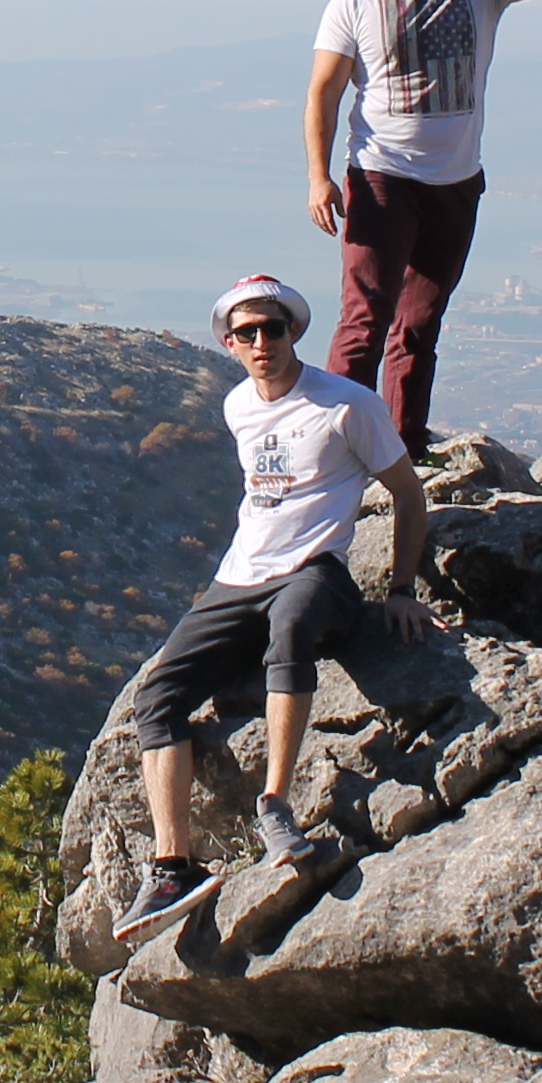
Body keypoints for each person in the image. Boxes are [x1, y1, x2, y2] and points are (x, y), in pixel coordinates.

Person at [112, 273, 445, 943]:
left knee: (291, 630)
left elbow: (409, 496)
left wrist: (403, 591)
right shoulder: (238, 406)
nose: (262, 342)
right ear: (230, 343)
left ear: (295, 330)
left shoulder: (346, 406)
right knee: (158, 696)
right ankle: (173, 865)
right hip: (239, 578)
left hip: (318, 571)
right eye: (247, 333)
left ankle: (275, 804)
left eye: (274, 328)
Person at [305, 0, 542, 446]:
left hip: (456, 182)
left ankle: (402, 443)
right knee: (365, 320)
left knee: (420, 324)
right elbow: (323, 92)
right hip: (382, 178)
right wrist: (318, 176)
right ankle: (337, 446)